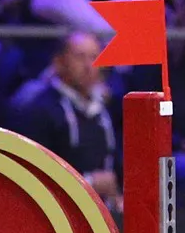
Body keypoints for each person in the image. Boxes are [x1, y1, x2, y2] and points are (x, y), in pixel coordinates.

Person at [13, 30, 119, 203]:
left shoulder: (105, 109)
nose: (89, 65)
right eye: (80, 57)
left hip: (104, 210)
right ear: (58, 62)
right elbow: (35, 175)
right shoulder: (40, 110)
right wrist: (90, 183)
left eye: (94, 57)